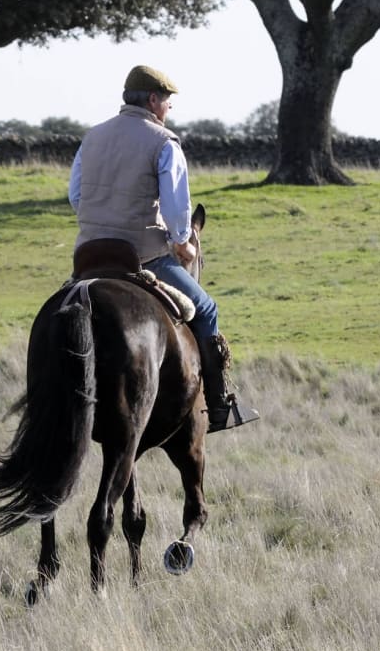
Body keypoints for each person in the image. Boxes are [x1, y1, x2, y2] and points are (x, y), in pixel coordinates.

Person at [67, 64, 258, 433]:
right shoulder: (164, 142)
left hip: (89, 254)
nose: (169, 108)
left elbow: (76, 195)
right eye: (168, 101)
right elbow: (175, 206)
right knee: (206, 308)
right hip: (143, 256)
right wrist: (182, 243)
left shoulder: (92, 137)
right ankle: (219, 407)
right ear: (153, 100)